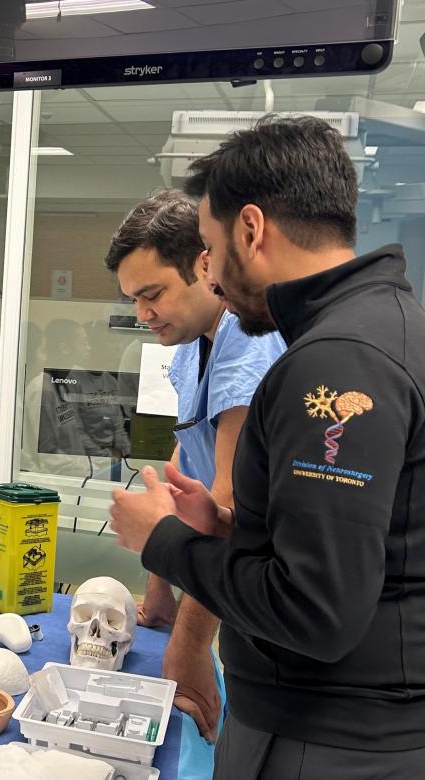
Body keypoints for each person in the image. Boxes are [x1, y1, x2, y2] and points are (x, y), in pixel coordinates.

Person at [108, 115, 425, 778]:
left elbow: (314, 610)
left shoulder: (338, 365)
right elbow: (351, 545)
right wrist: (226, 530)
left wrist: (163, 540)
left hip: (323, 737)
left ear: (250, 230)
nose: (212, 272)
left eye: (209, 247)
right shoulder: (382, 328)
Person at [103, 190, 285, 741]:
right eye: (133, 299)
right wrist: (160, 588)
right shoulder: (190, 342)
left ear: (205, 265)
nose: (142, 314)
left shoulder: (250, 343)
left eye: (152, 294)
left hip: (269, 599)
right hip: (227, 584)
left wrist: (189, 648)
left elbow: (226, 508)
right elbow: (187, 475)